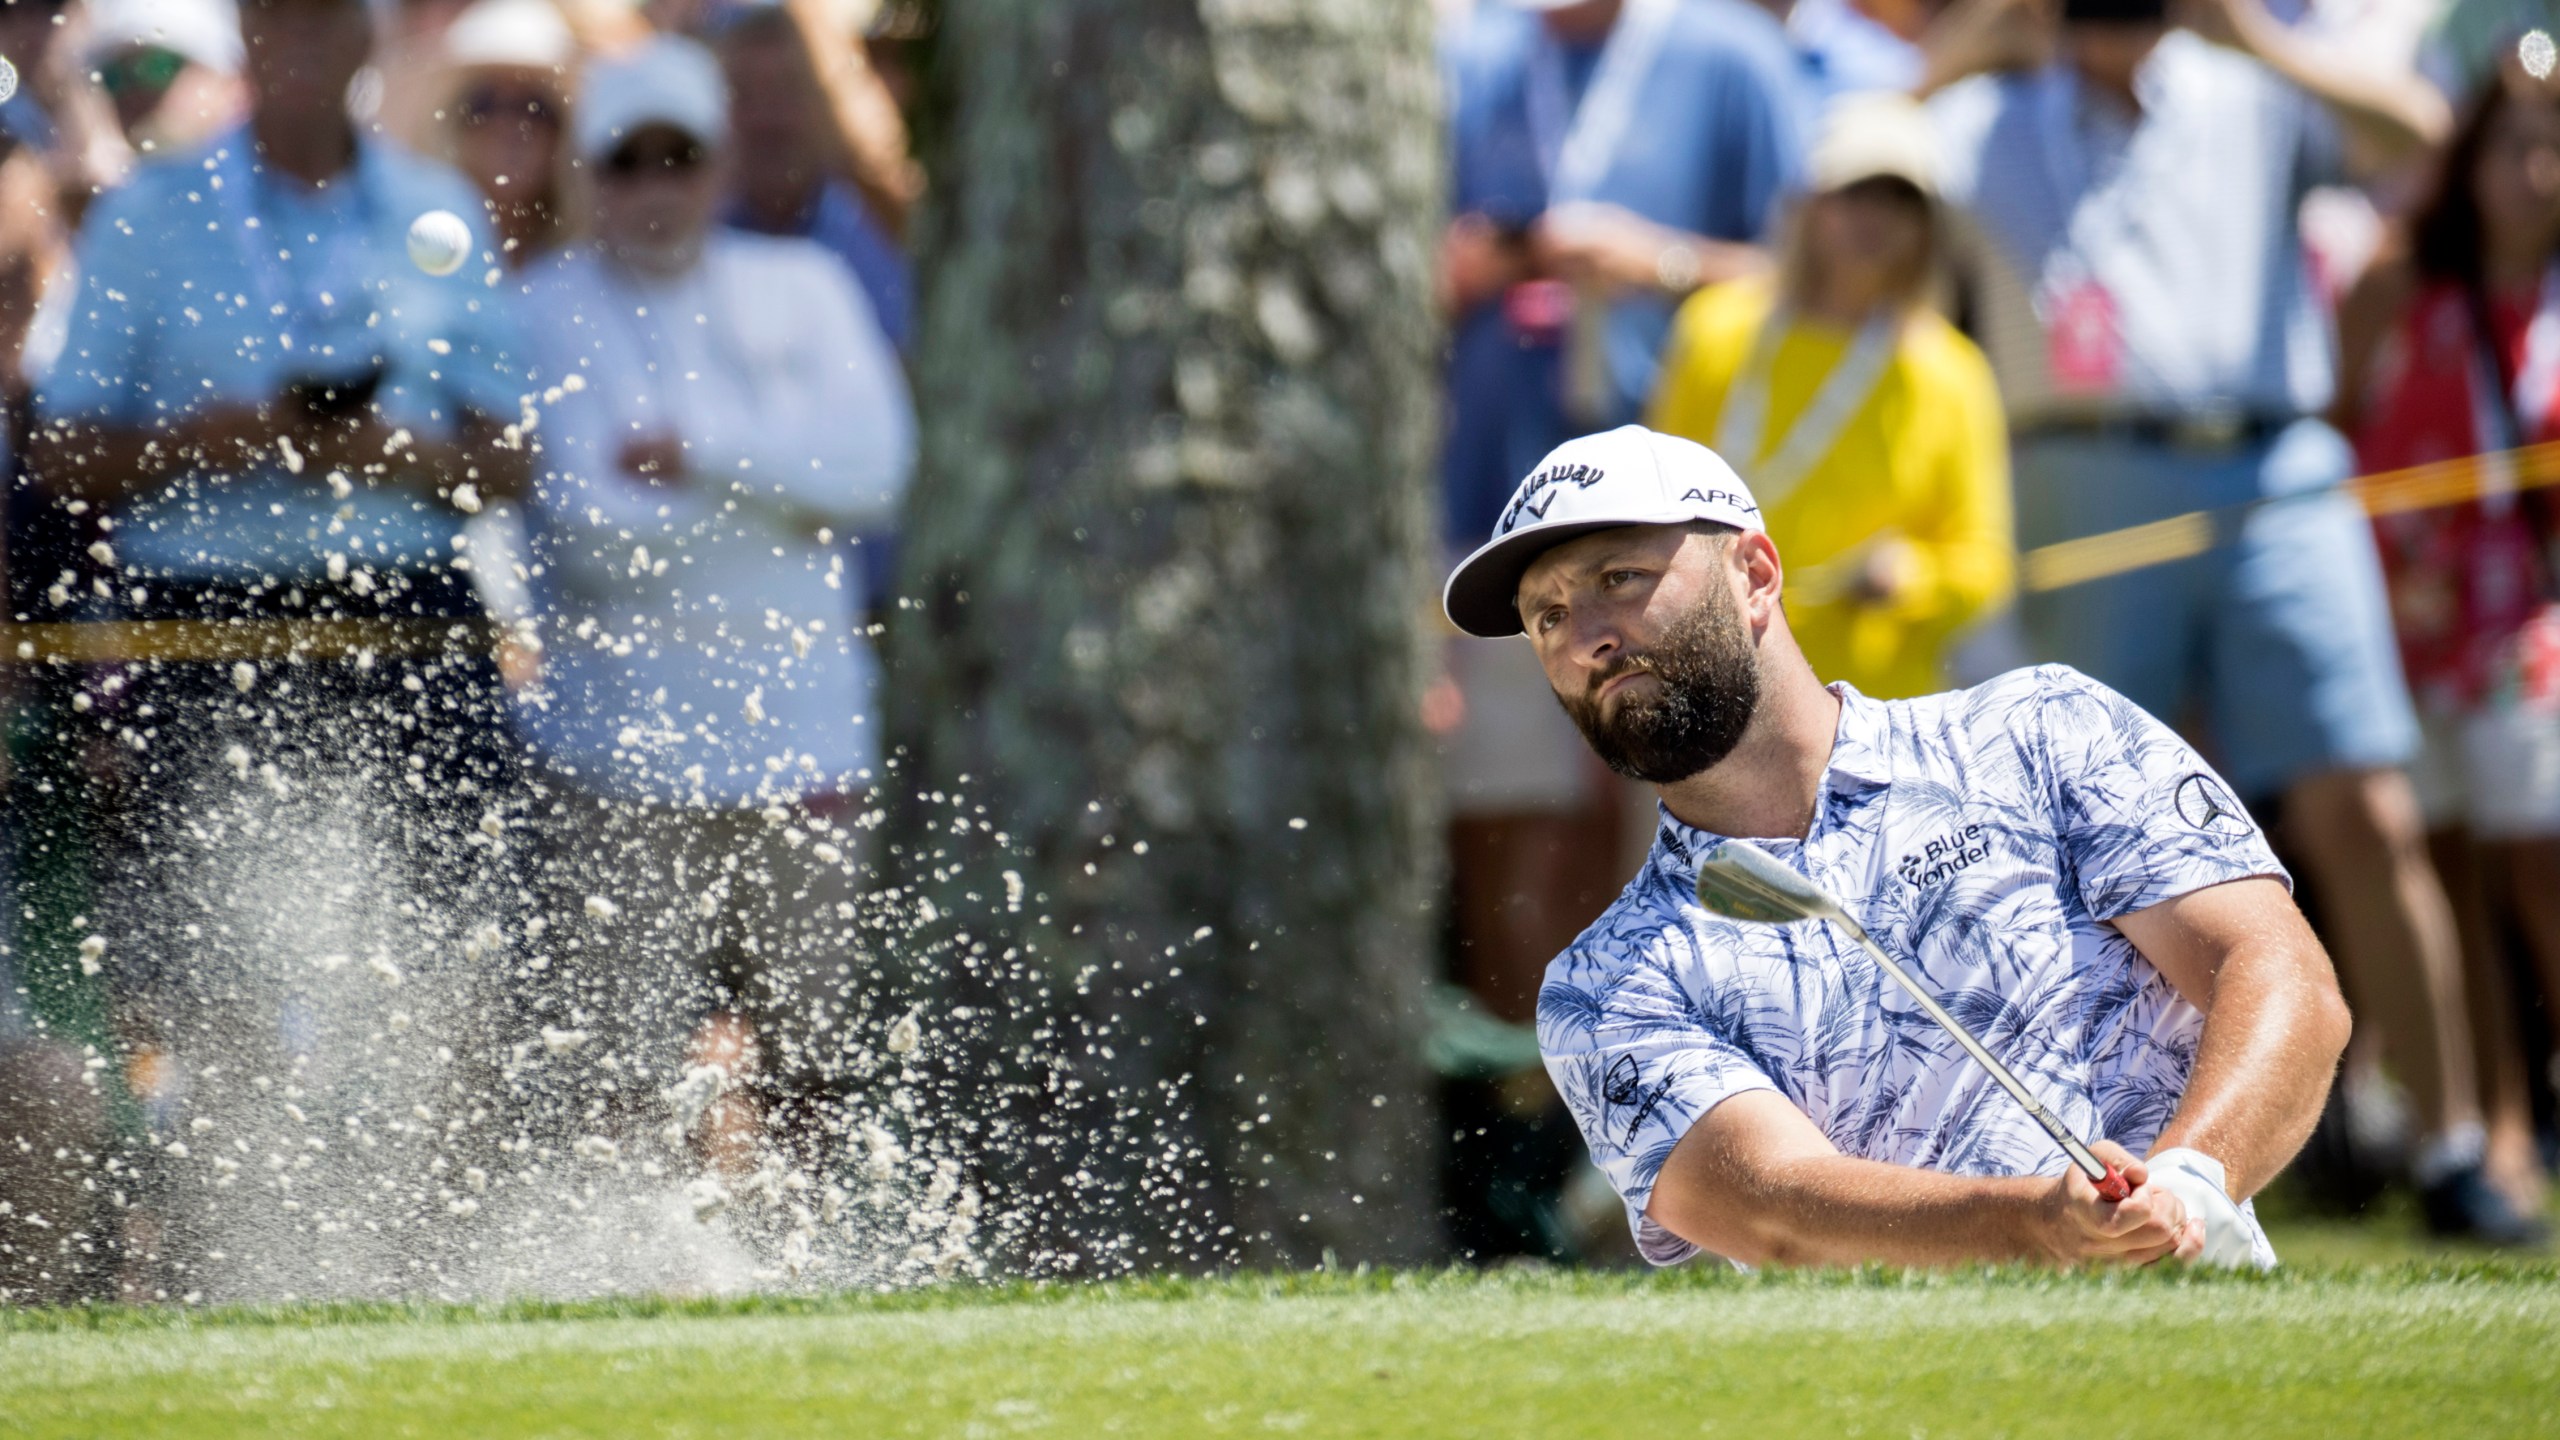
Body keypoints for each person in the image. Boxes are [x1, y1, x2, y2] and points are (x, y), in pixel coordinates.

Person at [1443, 424, 2355, 1268]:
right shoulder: (1601, 988)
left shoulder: (2041, 730)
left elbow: (2278, 972)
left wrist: (2194, 1184)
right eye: (1547, 617)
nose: (1588, 640)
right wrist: (2044, 1224)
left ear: (1755, 575)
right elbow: (1781, 1210)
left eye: (1619, 580)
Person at [1928, 0, 2543, 1242]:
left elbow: (2417, 132)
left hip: (2277, 468)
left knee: (2365, 808)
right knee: (2075, 842)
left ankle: (2452, 1149)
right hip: (2080, 473)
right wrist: (1984, 36)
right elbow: (1845, 146)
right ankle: (2089, 1155)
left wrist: (2251, 35)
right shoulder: (1987, 110)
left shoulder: (2249, 84)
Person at [24, 0, 533, 1294]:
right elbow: (66, 451)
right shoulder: (150, 217)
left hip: (406, 617)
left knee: (448, 970)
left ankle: (425, 1278)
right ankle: (231, 1281)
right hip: (213, 631)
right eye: (277, 16)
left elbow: (508, 455)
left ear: (364, 39)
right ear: (248, 34)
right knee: (218, 988)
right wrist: (217, 439)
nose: (299, 36)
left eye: (323, 16)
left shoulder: (436, 209)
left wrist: (390, 456)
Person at [513, 36, 914, 1177]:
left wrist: (697, 455)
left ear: (720, 162)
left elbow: (876, 470)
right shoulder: (545, 308)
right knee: (618, 1069)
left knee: (815, 1061)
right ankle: (620, 1284)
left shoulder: (807, 285)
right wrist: (775, 500)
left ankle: (810, 1279)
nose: (652, 187)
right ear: (589, 172)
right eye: (626, 161)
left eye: (675, 158)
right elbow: (589, 533)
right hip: (616, 753)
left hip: (803, 741)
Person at [1433, 0, 1806, 1135]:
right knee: (1511, 821)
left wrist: (1663, 264)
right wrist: (1477, 267)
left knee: (1695, 814)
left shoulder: (1730, 54)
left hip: (1675, 532)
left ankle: (1725, 1117)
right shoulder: (1471, 58)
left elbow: (1812, 271)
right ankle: (1541, 1138)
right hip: (1487, 510)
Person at [2334, 68, 2560, 1224]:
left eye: (2551, 145)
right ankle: (2498, 1131)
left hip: (2531, 625)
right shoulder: (2399, 281)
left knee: (2541, 868)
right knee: (2451, 879)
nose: (2531, 171)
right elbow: (2326, 418)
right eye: (2508, 145)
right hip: (2400, 621)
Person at [1650, 91, 2010, 701]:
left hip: (1870, 705)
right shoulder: (1713, 329)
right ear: (1808, 205)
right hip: (1708, 683)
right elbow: (1652, 502)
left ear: (1928, 226)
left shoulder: (1952, 371)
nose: (1876, 217)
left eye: (1901, 199)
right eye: (1854, 193)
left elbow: (1985, 564)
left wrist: (1912, 577)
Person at [715, 0, 918, 349]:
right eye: (744, 96)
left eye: (783, 93)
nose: (766, 121)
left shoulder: (866, 242)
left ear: (820, 104)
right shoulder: (697, 241)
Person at [431, 0, 577, 265]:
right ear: (454, 126)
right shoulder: (405, 258)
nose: (510, 126)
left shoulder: (598, 270)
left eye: (535, 108)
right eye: (486, 104)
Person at [83, 0, 247, 153]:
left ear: (235, 89)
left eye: (156, 66)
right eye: (112, 76)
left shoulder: (265, 172)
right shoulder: (73, 160)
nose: (132, 90)